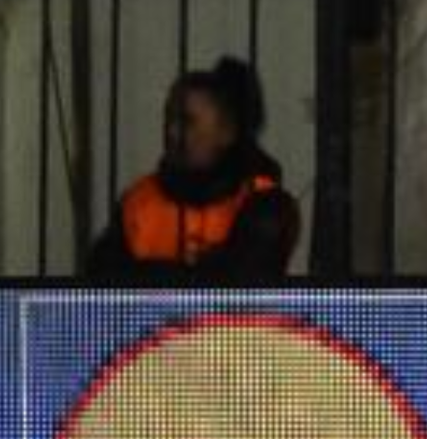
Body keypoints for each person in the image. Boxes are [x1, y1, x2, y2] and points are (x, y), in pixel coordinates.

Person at [88, 58, 298, 281]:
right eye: (168, 118)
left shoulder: (264, 202)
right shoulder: (138, 200)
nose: (172, 132)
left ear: (227, 132)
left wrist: (153, 274)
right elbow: (101, 281)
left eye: (187, 121)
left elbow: (243, 284)